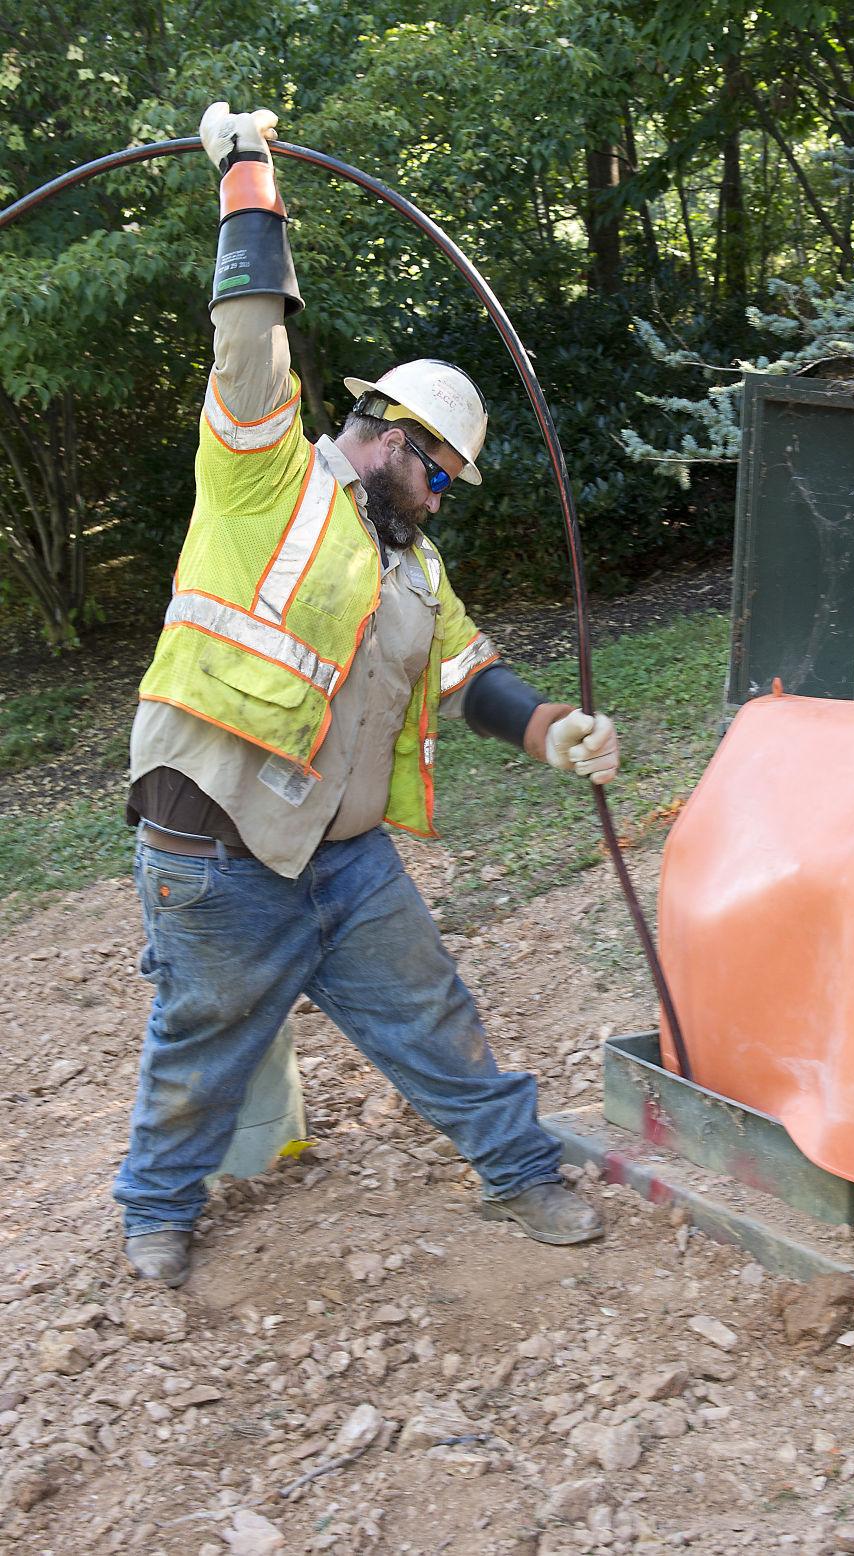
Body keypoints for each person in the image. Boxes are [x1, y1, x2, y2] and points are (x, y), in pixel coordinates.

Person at [114, 102, 620, 1288]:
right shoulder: (263, 481)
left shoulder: (414, 566)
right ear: (384, 432)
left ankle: (520, 1169)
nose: (443, 494)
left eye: (451, 479)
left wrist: (557, 730)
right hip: (217, 848)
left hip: (342, 857)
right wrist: (248, 178)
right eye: (437, 468)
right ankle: (154, 1209)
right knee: (200, 1046)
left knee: (435, 1016)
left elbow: (469, 674)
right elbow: (250, 347)